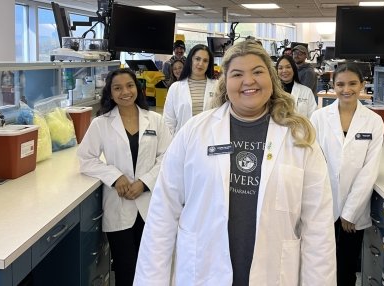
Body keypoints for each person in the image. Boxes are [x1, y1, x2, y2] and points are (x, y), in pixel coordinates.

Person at [134, 40, 336, 286]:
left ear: (271, 79)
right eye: (237, 74)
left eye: (258, 72)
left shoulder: (300, 138)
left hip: (274, 273)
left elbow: (318, 228)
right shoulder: (194, 132)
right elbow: (162, 214)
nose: (248, 81)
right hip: (203, 272)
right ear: (225, 82)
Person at [77, 68, 172, 286]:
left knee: (152, 267)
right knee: (125, 268)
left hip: (150, 204)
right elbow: (85, 158)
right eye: (117, 88)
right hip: (119, 204)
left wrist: (145, 183)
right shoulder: (101, 123)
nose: (125, 92)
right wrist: (115, 176)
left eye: (129, 86)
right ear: (110, 93)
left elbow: (168, 157)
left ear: (137, 89)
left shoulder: (155, 120)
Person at [310, 63, 384, 286]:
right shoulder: (319, 118)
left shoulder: (373, 121)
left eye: (353, 83)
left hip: (354, 211)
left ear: (362, 85)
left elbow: (369, 169)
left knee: (346, 266)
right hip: (322, 205)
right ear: (333, 86)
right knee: (321, 265)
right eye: (340, 84)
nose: (346, 89)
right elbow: (312, 163)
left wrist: (350, 211)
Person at [162, 44, 216, 134]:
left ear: (209, 64)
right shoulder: (175, 88)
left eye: (205, 61)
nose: (201, 64)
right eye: (197, 59)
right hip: (182, 142)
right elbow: (168, 122)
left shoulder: (217, 86)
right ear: (190, 60)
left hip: (209, 141)